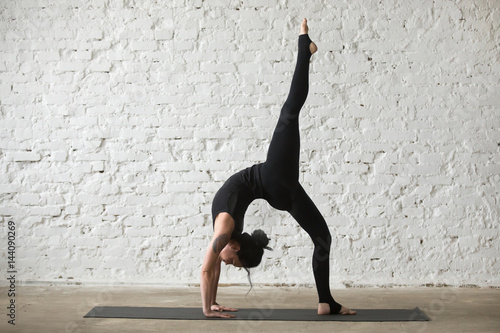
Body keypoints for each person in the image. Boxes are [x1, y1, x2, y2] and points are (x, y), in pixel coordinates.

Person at [200, 18, 356, 318]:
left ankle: (326, 301)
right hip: (275, 183)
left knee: (290, 112)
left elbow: (207, 270)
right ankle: (304, 49)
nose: (227, 263)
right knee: (289, 113)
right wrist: (213, 303)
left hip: (275, 181)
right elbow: (215, 266)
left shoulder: (224, 230)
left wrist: (207, 310)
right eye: (233, 263)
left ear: (233, 247)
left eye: (232, 262)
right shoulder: (228, 237)